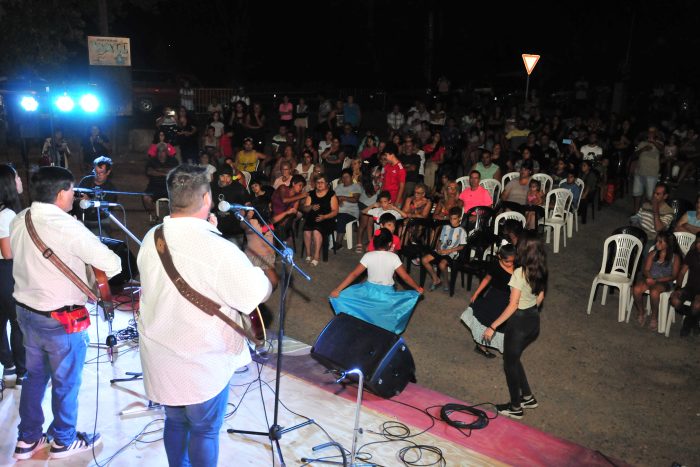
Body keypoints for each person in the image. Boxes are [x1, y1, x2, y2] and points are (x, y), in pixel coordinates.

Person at [137, 165, 276, 467]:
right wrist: (267, 274)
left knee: (174, 423)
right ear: (207, 198)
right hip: (201, 359)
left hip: (160, 353)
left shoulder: (152, 237)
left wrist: (208, 229)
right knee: (204, 430)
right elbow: (254, 295)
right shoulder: (220, 250)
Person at [11, 166, 121, 460]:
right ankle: (63, 440)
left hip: (26, 313)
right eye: (72, 190)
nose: (74, 195)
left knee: (34, 377)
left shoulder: (20, 219)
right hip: (62, 319)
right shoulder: (68, 226)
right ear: (61, 194)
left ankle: (27, 439)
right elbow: (111, 264)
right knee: (66, 380)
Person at [482, 232, 547, 420]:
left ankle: (515, 407)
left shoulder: (520, 272)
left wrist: (492, 326)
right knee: (515, 358)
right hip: (533, 321)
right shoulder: (540, 268)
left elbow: (513, 305)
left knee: (509, 364)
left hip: (518, 324)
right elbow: (540, 296)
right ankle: (528, 397)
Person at [329, 228, 423, 334]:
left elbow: (354, 274)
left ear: (374, 241)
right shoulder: (394, 257)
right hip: (386, 294)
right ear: (390, 243)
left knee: (365, 308)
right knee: (386, 314)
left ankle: (365, 326)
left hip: (368, 291)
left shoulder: (368, 256)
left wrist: (338, 289)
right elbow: (405, 277)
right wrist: (417, 287)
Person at [461, 244, 516, 358]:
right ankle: (481, 346)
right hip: (495, 297)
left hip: (510, 299)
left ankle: (507, 349)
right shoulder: (495, 265)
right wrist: (477, 293)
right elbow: (487, 278)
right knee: (486, 321)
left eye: (512, 261)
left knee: (508, 325)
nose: (510, 264)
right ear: (500, 257)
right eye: (507, 261)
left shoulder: (518, 267)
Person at [0, 165, 24, 389]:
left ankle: (7, 364)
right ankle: (22, 371)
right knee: (17, 322)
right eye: (17, 176)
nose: (20, 180)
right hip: (6, 271)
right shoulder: (6, 215)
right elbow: (8, 252)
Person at [631, 231, 681, 330]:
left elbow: (674, 276)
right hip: (650, 279)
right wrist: (650, 278)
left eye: (660, 242)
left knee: (654, 292)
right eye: (657, 241)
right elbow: (646, 270)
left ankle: (654, 317)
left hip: (665, 282)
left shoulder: (675, 257)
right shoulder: (653, 253)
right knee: (636, 289)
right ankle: (641, 312)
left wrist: (656, 280)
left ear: (668, 244)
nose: (657, 244)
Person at [421, 207, 467, 292]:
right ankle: (436, 279)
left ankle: (446, 282)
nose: (452, 221)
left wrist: (448, 251)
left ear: (459, 218)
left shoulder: (462, 231)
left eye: (455, 219)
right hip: (441, 250)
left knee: (442, 265)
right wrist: (438, 247)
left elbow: (462, 246)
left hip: (452, 252)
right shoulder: (446, 227)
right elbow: (440, 240)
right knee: (424, 260)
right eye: (451, 219)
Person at [211, 164, 251, 248]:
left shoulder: (238, 188)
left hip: (235, 231)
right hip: (217, 230)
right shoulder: (212, 186)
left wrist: (244, 212)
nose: (225, 179)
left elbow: (248, 204)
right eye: (222, 176)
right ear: (218, 176)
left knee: (236, 257)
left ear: (231, 176)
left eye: (228, 176)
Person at [302, 175, 338, 266]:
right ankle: (308, 254)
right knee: (306, 231)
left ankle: (316, 256)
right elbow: (305, 208)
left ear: (326, 184)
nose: (319, 184)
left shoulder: (331, 194)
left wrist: (324, 217)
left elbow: (335, 211)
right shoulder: (311, 193)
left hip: (327, 219)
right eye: (318, 182)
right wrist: (311, 207)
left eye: (322, 182)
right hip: (312, 218)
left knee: (316, 231)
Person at [77, 155, 118, 236]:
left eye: (101, 172)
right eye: (96, 172)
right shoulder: (86, 181)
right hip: (82, 219)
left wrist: (90, 201)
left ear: (108, 172)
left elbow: (105, 210)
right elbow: (76, 198)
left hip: (101, 221)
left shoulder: (111, 188)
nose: (98, 175)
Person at [671, 233, 700, 336]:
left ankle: (687, 324)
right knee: (674, 299)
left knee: (697, 305)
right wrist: (678, 287)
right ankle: (695, 319)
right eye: (698, 242)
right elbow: (682, 272)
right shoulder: (692, 254)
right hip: (689, 288)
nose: (699, 245)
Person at [630, 182, 674, 250]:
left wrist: (655, 209)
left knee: (646, 248)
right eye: (654, 193)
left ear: (665, 196)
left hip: (654, 239)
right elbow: (636, 219)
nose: (654, 196)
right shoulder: (646, 205)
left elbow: (658, 229)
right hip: (641, 234)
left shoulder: (669, 211)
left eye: (658, 194)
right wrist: (635, 224)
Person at [143, 145, 179, 224]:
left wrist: (158, 170)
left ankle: (173, 218)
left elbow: (175, 171)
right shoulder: (152, 161)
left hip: (169, 186)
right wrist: (165, 173)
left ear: (166, 152)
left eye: (163, 151)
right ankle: (154, 217)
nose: (161, 153)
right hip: (154, 185)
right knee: (146, 198)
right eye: (159, 151)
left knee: (179, 197)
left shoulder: (173, 160)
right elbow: (149, 171)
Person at [271, 174, 307, 245]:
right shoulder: (283, 188)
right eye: (300, 185)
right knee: (275, 224)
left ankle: (278, 246)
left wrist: (285, 220)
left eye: (302, 187)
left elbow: (293, 210)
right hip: (272, 213)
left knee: (283, 224)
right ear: (293, 183)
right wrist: (300, 196)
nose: (301, 188)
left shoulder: (297, 197)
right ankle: (278, 243)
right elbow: (284, 200)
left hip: (283, 217)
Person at [333, 168, 361, 250]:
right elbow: (332, 197)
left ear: (352, 177)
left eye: (347, 177)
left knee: (341, 218)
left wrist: (343, 198)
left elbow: (355, 199)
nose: (345, 179)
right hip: (338, 211)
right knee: (329, 216)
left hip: (351, 213)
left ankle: (338, 243)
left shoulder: (356, 186)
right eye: (343, 177)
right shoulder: (339, 187)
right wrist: (338, 201)